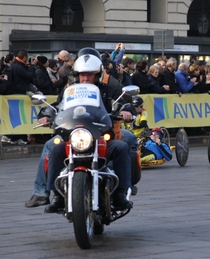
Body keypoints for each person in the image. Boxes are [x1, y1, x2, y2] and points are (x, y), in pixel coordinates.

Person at [26, 50, 135, 212]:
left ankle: (120, 193)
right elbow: (57, 106)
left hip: (100, 135)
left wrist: (127, 110)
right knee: (54, 147)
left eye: (90, 75)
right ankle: (53, 194)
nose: (85, 78)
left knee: (122, 147)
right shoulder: (69, 92)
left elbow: (123, 102)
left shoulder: (107, 90)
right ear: (77, 75)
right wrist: (47, 115)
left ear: (97, 75)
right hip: (75, 134)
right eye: (82, 75)